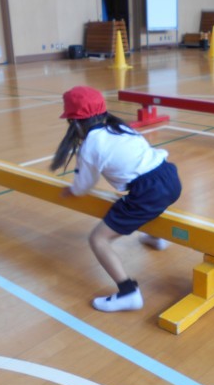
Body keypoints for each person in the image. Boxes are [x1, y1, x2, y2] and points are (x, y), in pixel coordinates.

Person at [51, 86, 182, 312]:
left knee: (98, 240)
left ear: (75, 123)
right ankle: (156, 238)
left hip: (148, 190)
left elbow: (84, 185)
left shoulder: (90, 144)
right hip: (169, 176)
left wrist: (72, 190)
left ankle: (128, 293)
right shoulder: (120, 127)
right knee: (143, 206)